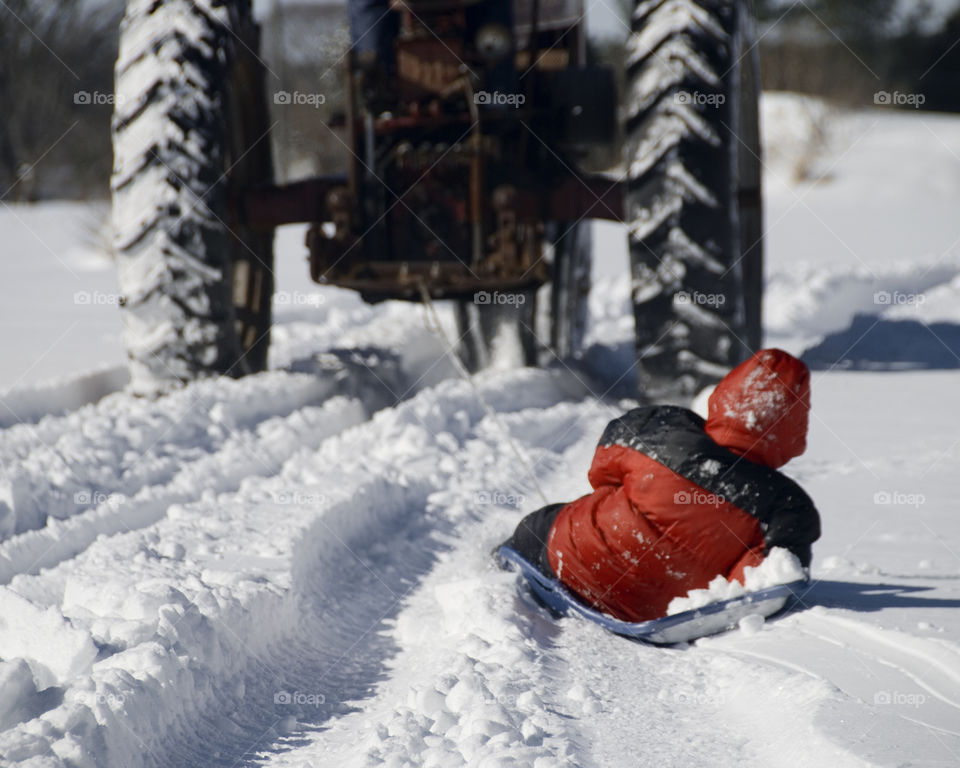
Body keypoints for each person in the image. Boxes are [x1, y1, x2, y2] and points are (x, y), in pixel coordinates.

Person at [500, 348, 821, 623]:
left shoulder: (661, 426)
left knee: (541, 523)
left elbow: (602, 472)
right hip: (652, 607)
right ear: (794, 430)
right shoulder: (788, 506)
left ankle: (494, 574)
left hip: (569, 554)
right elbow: (759, 583)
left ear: (724, 395)